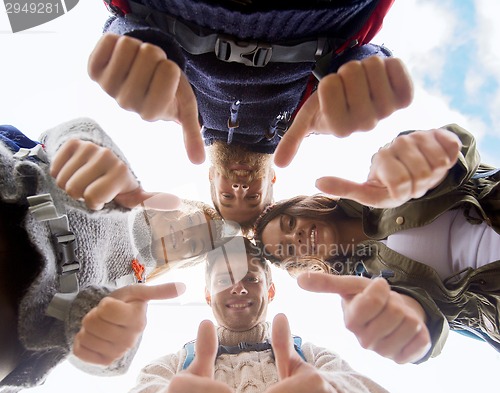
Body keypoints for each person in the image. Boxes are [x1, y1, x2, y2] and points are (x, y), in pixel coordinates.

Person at [88, 0, 413, 228]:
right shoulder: (307, 116)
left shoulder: (176, 103)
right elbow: (353, 51)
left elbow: (127, 19)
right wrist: (363, 73)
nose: (241, 189)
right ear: (272, 181)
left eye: (227, 196)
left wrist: (134, 44)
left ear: (212, 178)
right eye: (254, 196)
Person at [108, 238, 400, 393]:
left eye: (251, 278)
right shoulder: (175, 366)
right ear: (208, 294)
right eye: (224, 279)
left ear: (270, 291)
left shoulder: (309, 357)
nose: (239, 288)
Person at [0, 118, 236, 393]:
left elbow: (111, 359)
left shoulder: (135, 291)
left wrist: (109, 343)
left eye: (197, 245)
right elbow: (71, 134)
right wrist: (84, 149)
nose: (187, 236)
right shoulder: (121, 190)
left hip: (18, 321)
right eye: (194, 222)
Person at [253, 124, 500, 364]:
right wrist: (411, 331)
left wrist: (426, 156)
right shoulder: (372, 288)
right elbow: (425, 321)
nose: (296, 236)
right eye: (290, 250)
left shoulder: (382, 184)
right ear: (301, 264)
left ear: (301, 207)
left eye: (289, 224)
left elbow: (458, 149)